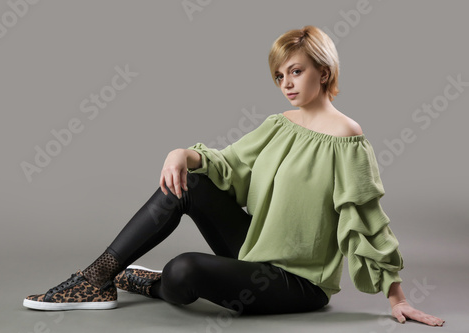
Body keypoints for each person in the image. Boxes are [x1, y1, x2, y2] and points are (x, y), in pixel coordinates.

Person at [23, 25, 445, 327]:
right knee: (191, 180)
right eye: (280, 76)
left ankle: (151, 283)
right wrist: (181, 153)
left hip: (297, 283)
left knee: (183, 270)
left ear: (324, 70)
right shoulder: (279, 125)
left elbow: (368, 222)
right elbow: (227, 166)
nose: (286, 83)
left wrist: (397, 298)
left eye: (296, 71)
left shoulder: (348, 140)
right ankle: (95, 279)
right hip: (253, 250)